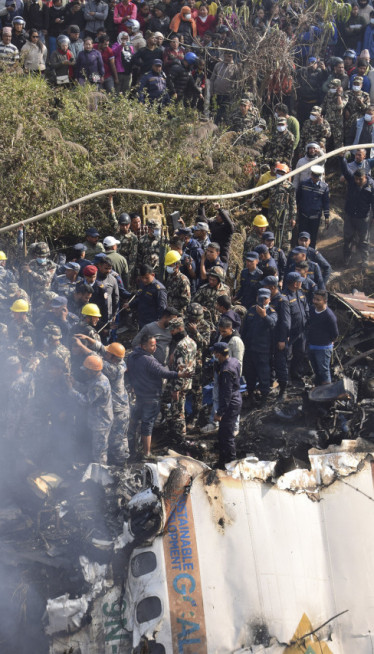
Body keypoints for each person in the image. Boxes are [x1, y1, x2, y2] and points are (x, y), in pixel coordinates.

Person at [126, 333, 190, 458]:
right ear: (143, 346)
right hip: (151, 396)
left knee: (133, 422)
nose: (154, 348)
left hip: (138, 395)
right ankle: (147, 453)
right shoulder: (149, 360)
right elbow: (163, 372)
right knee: (147, 424)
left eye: (155, 345)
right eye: (152, 345)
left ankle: (131, 450)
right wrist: (179, 375)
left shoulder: (131, 356)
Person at [68, 353, 113, 464]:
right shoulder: (95, 379)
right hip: (96, 421)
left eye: (87, 370)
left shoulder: (100, 384)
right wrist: (75, 383)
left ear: (93, 371)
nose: (85, 372)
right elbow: (86, 388)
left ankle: (101, 476)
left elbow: (86, 401)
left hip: (101, 423)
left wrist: (71, 390)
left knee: (99, 453)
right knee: (95, 449)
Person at [242, 288, 278, 404]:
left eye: (265, 298)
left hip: (263, 350)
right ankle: (250, 395)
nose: (262, 300)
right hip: (250, 349)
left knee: (264, 375)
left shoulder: (272, 312)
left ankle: (264, 398)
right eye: (260, 297)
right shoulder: (252, 310)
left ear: (269, 299)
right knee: (249, 374)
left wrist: (264, 316)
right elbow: (245, 329)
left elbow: (272, 323)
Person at [164, 315, 196, 442]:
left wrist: (176, 389)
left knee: (178, 411)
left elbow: (182, 368)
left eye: (173, 330)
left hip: (179, 383)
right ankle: (175, 432)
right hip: (187, 382)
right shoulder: (191, 342)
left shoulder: (182, 345)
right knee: (176, 408)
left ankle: (180, 437)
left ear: (179, 328)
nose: (171, 333)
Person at [340, 151, 374, 269]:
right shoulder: (352, 180)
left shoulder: (371, 186)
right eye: (355, 179)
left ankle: (364, 261)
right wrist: (342, 158)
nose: (357, 181)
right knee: (348, 238)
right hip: (350, 214)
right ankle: (346, 260)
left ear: (364, 177)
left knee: (364, 240)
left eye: (359, 180)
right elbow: (345, 170)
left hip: (363, 217)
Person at [210, 341, 241, 469]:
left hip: (230, 404)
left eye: (215, 353)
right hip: (235, 398)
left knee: (227, 435)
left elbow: (226, 394)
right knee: (223, 433)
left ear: (218, 354)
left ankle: (232, 464)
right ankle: (222, 461)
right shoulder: (234, 361)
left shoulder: (226, 371)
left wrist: (220, 413)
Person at [261, 275, 290, 399]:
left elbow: (285, 322)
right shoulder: (268, 300)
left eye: (266, 286)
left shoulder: (282, 301)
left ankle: (283, 390)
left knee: (280, 364)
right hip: (269, 338)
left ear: (272, 287)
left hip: (278, 338)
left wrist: (282, 339)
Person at [308, 290, 339, 386]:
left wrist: (330, 342)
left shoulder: (329, 316)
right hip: (312, 346)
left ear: (325, 301)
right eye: (314, 299)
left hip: (323, 348)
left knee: (324, 371)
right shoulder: (312, 310)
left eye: (318, 300)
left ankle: (327, 393)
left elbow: (335, 334)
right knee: (316, 371)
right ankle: (318, 390)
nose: (315, 301)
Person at [296, 165, 330, 248]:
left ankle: (310, 256)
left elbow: (326, 202)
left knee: (313, 238)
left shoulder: (324, 187)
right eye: (314, 176)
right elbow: (297, 199)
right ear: (311, 175)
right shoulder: (303, 184)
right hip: (303, 215)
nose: (315, 179)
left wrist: (327, 217)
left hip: (315, 217)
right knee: (301, 236)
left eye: (317, 177)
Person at [284, 272, 309, 382]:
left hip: (301, 331)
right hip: (291, 333)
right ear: (295, 283)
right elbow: (285, 318)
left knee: (300, 353)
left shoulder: (301, 293)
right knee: (288, 356)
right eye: (299, 281)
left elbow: (306, 308)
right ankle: (286, 378)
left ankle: (296, 374)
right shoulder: (285, 297)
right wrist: (286, 334)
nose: (301, 283)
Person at [126, 264, 167, 328]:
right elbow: (140, 298)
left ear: (153, 275)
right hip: (142, 320)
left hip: (152, 323)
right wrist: (130, 305)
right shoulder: (143, 284)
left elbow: (162, 308)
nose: (144, 280)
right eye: (142, 278)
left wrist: (159, 324)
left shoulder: (159, 289)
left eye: (146, 278)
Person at [210, 51, 240, 123]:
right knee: (215, 110)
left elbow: (237, 82)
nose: (227, 58)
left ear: (232, 57)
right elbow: (212, 79)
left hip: (227, 94)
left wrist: (235, 93)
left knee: (224, 112)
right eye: (225, 56)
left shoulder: (235, 67)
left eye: (229, 56)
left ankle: (222, 127)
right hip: (217, 93)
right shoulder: (218, 65)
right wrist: (211, 91)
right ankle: (215, 126)